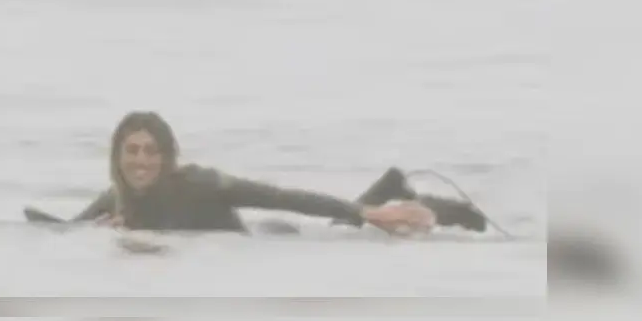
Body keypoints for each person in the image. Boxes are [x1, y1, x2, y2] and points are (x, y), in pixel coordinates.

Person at [70, 111, 487, 236]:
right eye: (131, 151)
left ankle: (449, 211)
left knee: (351, 229)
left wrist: (368, 214)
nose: (140, 161)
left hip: (277, 237)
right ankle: (388, 187)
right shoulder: (116, 199)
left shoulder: (200, 184)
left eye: (150, 151)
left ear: (167, 157)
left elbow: (282, 197)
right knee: (348, 225)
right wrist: (95, 231)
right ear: (117, 156)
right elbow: (59, 231)